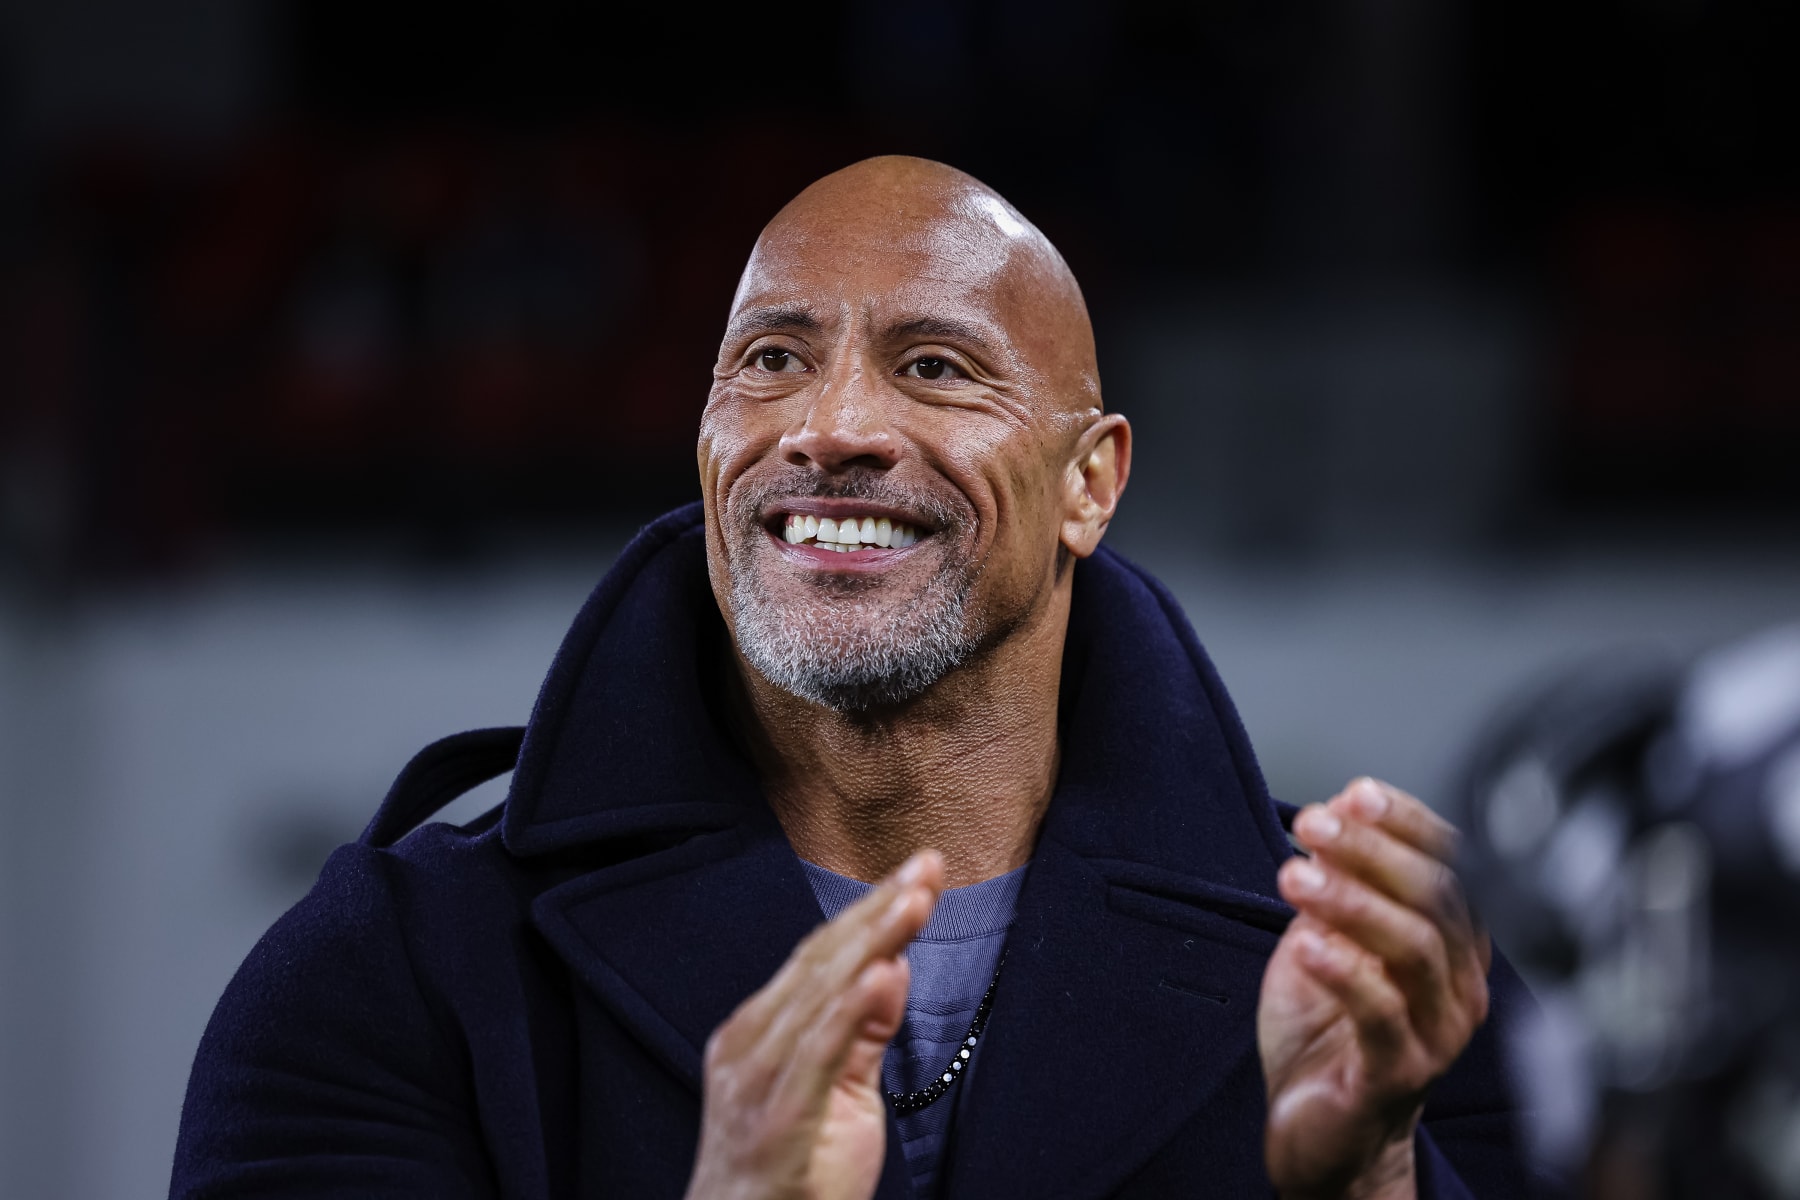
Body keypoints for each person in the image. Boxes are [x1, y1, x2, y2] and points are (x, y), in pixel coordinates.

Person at [172, 157, 1536, 1199]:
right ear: (706, 437)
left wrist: (1366, 1182)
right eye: (771, 361)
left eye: (934, 368)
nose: (830, 431)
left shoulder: (1392, 995)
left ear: (1091, 482)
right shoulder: (384, 972)